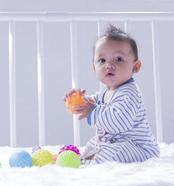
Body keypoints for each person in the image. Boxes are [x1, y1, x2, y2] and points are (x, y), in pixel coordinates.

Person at [64, 25, 160, 164]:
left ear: (135, 67)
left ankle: (87, 163)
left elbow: (119, 122)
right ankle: (84, 160)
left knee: (115, 153)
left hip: (138, 148)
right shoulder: (106, 90)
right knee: (93, 145)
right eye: (102, 60)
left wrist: (91, 111)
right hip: (114, 142)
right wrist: (80, 101)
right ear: (94, 67)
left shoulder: (129, 93)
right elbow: (94, 103)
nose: (108, 65)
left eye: (119, 59)